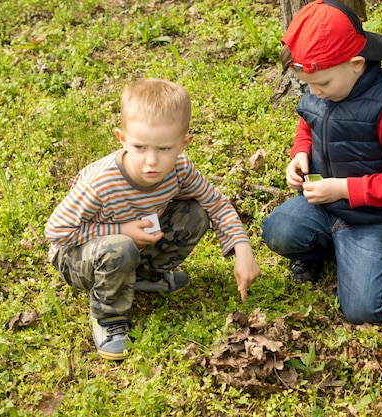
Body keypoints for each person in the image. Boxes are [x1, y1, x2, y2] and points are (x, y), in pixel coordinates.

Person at [45, 78, 261, 360]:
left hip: (132, 244)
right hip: (77, 257)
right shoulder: (100, 183)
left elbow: (215, 203)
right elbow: (57, 233)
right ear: (122, 139)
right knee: (119, 247)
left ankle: (143, 276)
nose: (151, 162)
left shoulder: (180, 171)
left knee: (195, 213)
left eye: (164, 149)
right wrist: (121, 230)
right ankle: (108, 316)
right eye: (139, 147)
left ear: (184, 144)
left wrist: (242, 248)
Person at [261, 0, 382, 325]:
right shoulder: (322, 88)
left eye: (322, 85)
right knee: (278, 231)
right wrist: (300, 154)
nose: (315, 92)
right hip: (324, 206)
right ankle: (326, 249)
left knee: (363, 311)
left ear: (356, 64)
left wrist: (344, 189)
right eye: (308, 86)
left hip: (373, 218)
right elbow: (307, 123)